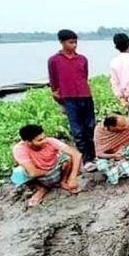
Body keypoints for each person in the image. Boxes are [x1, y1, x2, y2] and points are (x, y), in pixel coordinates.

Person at [48, 29, 97, 172]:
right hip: (69, 98)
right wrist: (60, 102)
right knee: (78, 131)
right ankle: (86, 159)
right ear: (62, 42)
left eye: (75, 42)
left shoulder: (82, 59)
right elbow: (54, 83)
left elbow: (84, 77)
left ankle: (93, 155)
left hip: (85, 96)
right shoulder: (54, 60)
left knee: (90, 127)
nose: (74, 45)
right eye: (70, 42)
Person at [11, 124, 82, 207]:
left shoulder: (50, 141)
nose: (45, 141)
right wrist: (47, 172)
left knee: (68, 157)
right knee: (18, 173)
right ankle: (41, 189)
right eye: (40, 140)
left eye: (45, 137)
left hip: (55, 168)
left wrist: (72, 177)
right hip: (40, 175)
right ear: (28, 142)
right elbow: (33, 173)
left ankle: (63, 181)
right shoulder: (20, 149)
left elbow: (76, 154)